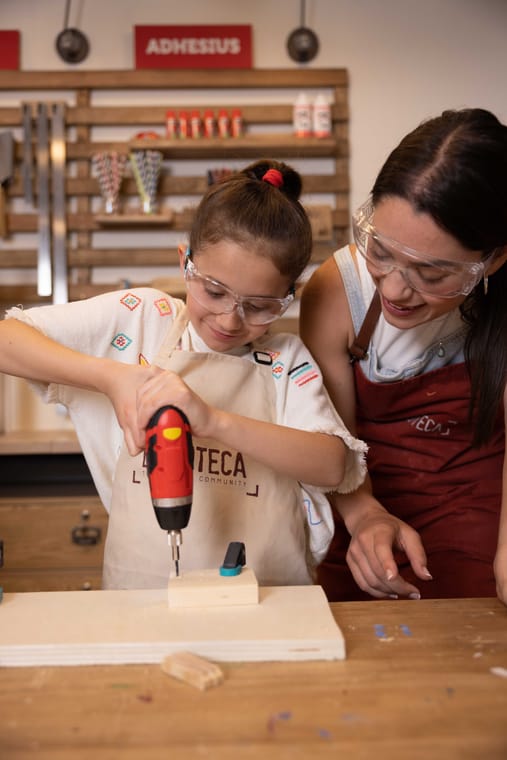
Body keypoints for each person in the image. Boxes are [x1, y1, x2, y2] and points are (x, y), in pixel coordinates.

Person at [0, 159, 367, 590]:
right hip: (142, 593)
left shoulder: (286, 362)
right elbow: (8, 338)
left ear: (288, 296)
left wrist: (213, 421)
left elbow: (332, 465)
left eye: (260, 305)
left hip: (267, 601)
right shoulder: (141, 319)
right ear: (185, 262)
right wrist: (112, 379)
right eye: (214, 292)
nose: (231, 319)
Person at [300, 108, 507, 604]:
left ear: (493, 260)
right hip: (358, 501)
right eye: (381, 251)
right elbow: (331, 440)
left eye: (432, 274)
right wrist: (365, 515)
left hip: (479, 515)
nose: (394, 289)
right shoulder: (337, 291)